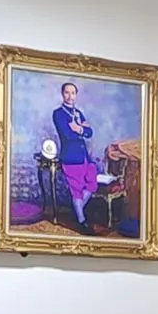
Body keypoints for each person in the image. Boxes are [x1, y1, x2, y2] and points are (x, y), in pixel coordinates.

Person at [48, 81, 100, 231]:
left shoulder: (78, 113)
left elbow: (90, 133)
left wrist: (79, 129)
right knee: (76, 189)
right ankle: (81, 221)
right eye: (67, 93)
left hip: (84, 156)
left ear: (76, 95)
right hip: (70, 157)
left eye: (73, 93)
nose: (70, 96)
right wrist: (81, 130)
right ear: (62, 94)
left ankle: (77, 209)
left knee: (92, 183)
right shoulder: (58, 113)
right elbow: (67, 135)